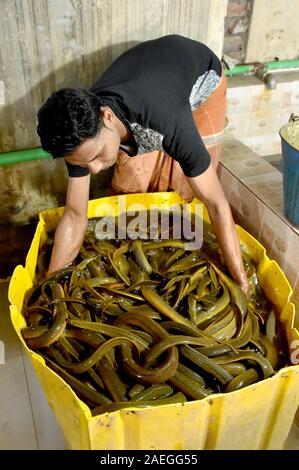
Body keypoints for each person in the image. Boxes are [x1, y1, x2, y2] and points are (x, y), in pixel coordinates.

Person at [37, 34, 249, 295]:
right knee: (131, 189)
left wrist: (243, 284)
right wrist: (50, 286)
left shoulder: (166, 121)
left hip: (202, 80)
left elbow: (217, 205)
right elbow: (75, 214)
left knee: (186, 190)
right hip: (151, 84)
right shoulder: (79, 135)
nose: (93, 169)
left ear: (108, 116)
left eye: (97, 156)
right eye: (84, 163)